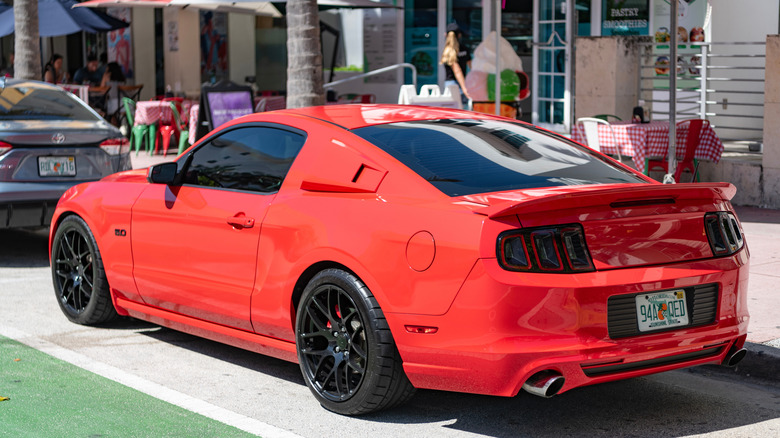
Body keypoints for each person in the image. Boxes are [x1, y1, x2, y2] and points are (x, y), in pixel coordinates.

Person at [440, 23, 472, 102]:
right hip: (462, 83)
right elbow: (472, 67)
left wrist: (464, 88)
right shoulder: (464, 49)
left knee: (453, 109)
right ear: (459, 35)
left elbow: (457, 71)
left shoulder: (448, 52)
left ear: (445, 35)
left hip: (451, 84)